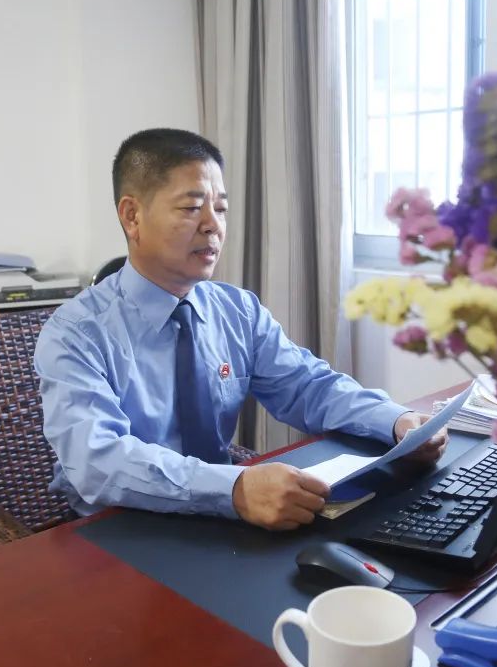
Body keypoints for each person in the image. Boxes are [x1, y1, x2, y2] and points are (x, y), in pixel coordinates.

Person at [35, 128, 448, 531]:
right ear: (132, 216)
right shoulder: (75, 333)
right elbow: (97, 461)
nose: (212, 225)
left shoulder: (237, 310)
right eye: (191, 207)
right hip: (115, 529)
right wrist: (234, 489)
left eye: (221, 208)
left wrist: (395, 421)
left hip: (217, 516)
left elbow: (308, 387)